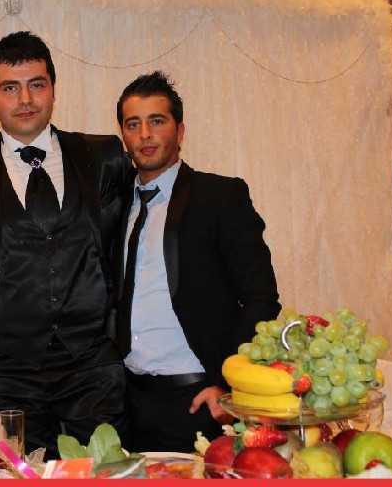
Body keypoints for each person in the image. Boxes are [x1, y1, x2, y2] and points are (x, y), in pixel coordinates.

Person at [0, 31, 134, 458]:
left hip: (93, 363)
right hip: (5, 369)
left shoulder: (103, 156)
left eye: (36, 84)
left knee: (102, 482)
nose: (25, 99)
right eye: (10, 87)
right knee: (19, 486)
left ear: (53, 90)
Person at [115, 71, 281, 454]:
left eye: (157, 121)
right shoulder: (115, 205)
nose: (145, 134)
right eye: (133, 124)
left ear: (180, 131)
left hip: (199, 402)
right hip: (127, 405)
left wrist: (227, 384)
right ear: (123, 135)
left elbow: (261, 299)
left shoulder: (220, 197)